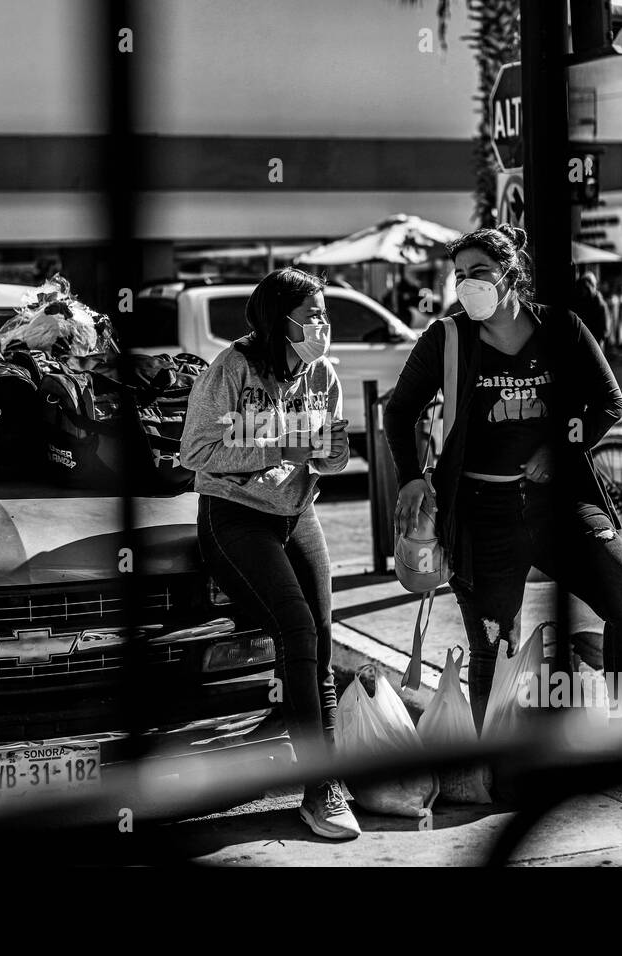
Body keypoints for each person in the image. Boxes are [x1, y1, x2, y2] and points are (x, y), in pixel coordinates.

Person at [384, 226, 622, 773]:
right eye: (459, 276)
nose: (468, 285)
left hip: (559, 505)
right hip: (482, 514)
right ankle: (495, 766)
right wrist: (410, 476)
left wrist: (562, 441)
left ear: (511, 275)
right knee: (495, 643)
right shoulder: (447, 338)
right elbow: (399, 410)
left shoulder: (561, 328)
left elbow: (608, 403)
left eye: (479, 272)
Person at [179, 267, 359, 839]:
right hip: (234, 515)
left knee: (322, 640)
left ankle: (320, 771)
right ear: (278, 320)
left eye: (324, 315)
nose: (321, 326)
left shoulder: (321, 374)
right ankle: (320, 790)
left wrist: (333, 451)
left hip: (296, 513)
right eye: (311, 316)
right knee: (298, 630)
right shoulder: (231, 368)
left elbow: (328, 461)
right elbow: (196, 450)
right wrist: (282, 444)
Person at [571, 271, 610, 349]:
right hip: (584, 344)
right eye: (582, 288)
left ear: (592, 287)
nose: (583, 291)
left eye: (585, 288)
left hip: (596, 345)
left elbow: (605, 331)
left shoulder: (600, 305)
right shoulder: (582, 302)